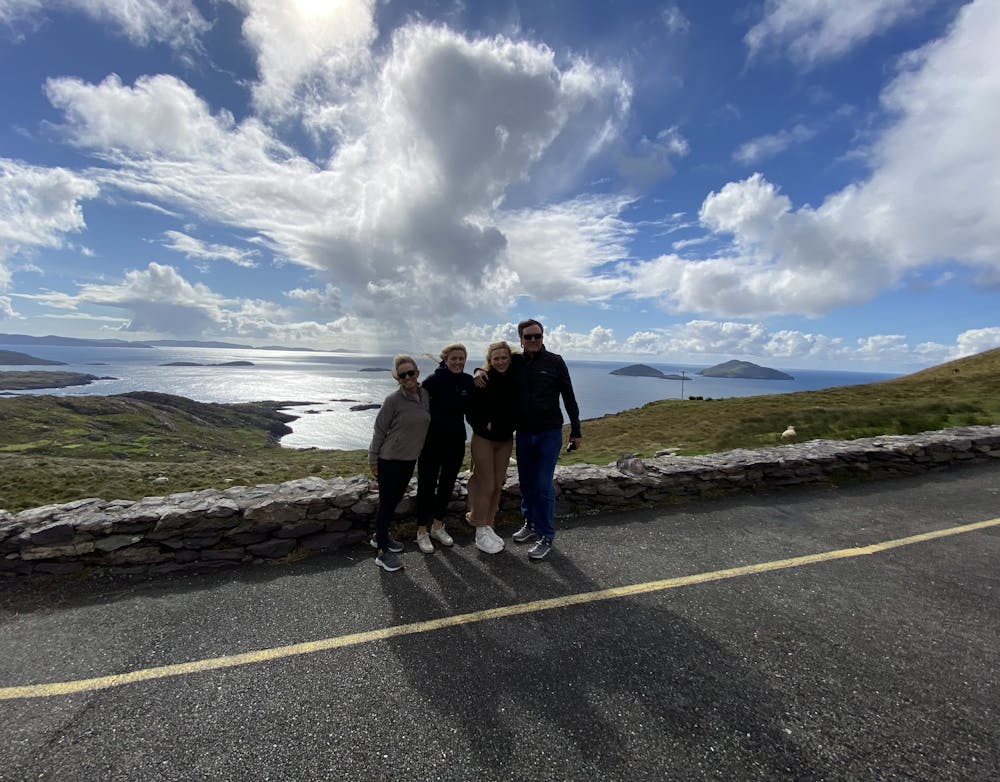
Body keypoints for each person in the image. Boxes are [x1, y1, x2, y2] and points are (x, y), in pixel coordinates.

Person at [509, 319, 581, 560]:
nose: (533, 340)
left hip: (549, 432)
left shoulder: (555, 362)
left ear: (542, 337)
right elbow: (493, 368)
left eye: (537, 336)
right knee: (527, 484)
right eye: (528, 337)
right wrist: (478, 372)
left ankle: (546, 536)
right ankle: (530, 524)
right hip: (524, 433)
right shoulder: (515, 362)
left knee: (542, 485)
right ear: (520, 339)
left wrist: (576, 431)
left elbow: (569, 397)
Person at [367, 355, 430, 572]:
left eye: (410, 373)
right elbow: (379, 431)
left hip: (408, 460)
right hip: (389, 460)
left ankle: (379, 537)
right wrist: (372, 460)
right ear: (398, 378)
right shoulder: (393, 400)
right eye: (402, 375)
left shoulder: (425, 395)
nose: (407, 377)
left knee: (393, 501)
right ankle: (382, 553)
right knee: (386, 504)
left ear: (417, 373)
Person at [414, 343, 475, 553]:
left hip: (456, 441)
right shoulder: (432, 381)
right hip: (430, 443)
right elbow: (417, 408)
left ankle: (438, 526)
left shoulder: (468, 381)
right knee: (427, 486)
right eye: (454, 359)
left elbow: (473, 410)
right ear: (445, 360)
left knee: (447, 484)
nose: (458, 362)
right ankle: (421, 531)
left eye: (461, 358)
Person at [465, 341, 518, 554]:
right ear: (490, 360)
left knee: (497, 484)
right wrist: (483, 424)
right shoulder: (483, 379)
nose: (501, 361)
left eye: (504, 357)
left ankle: (488, 524)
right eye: (496, 358)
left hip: (505, 440)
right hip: (484, 439)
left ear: (510, 358)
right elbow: (470, 410)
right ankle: (479, 529)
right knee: (485, 483)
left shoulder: (516, 377)